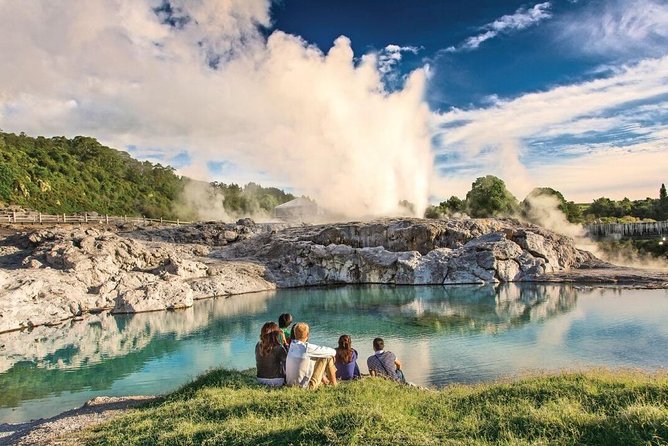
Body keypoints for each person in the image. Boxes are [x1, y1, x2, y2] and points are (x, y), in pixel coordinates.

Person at [285, 322, 338, 389]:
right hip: (305, 387)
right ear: (307, 335)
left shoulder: (292, 346)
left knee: (316, 357)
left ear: (295, 334)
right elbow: (333, 352)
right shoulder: (307, 348)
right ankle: (334, 384)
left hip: (290, 384)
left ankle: (327, 382)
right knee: (327, 357)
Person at [255, 321, 288, 386]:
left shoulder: (258, 345)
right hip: (277, 381)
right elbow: (289, 362)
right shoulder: (279, 348)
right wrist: (285, 342)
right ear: (276, 334)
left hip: (260, 379)